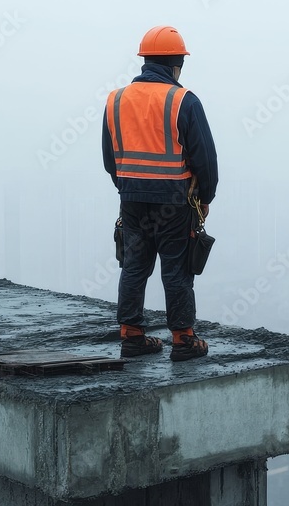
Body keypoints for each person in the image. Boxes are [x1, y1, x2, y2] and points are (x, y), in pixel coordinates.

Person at [102, 25, 218, 362]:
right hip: (173, 201)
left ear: (145, 61)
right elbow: (204, 157)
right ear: (176, 63)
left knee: (135, 266)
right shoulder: (183, 100)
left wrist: (128, 187)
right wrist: (205, 197)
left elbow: (111, 158)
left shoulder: (117, 100)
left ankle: (132, 336)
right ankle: (183, 340)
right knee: (176, 269)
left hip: (132, 198)